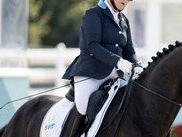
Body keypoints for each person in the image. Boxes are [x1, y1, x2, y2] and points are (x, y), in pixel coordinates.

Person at [60, 0, 143, 136]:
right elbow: (93, 45)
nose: (125, 1)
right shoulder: (93, 14)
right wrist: (118, 61)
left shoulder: (124, 20)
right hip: (91, 73)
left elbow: (129, 51)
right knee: (82, 106)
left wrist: (137, 65)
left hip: (115, 76)